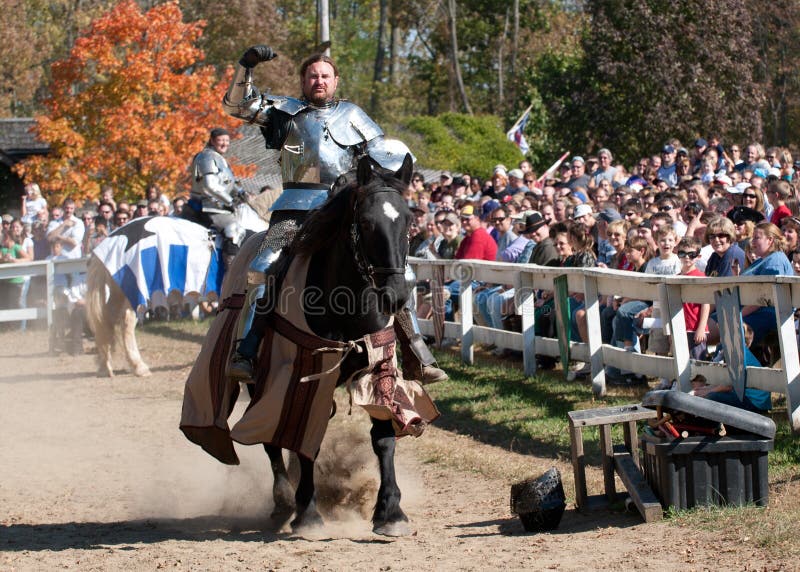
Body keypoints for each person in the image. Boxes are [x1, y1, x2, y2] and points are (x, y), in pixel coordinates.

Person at [223, 46, 446, 384]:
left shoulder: (355, 116)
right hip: (295, 208)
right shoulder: (285, 112)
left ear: (336, 80)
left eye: (325, 75)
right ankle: (247, 349)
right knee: (262, 266)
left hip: (344, 208)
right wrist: (246, 66)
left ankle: (416, 351)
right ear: (303, 80)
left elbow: (383, 161)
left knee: (398, 269)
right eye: (313, 75)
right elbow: (237, 106)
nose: (319, 81)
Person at [185, 127, 244, 268]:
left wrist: (241, 192)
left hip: (217, 204)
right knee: (234, 230)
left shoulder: (220, 159)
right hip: (207, 206)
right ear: (212, 141)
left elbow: (227, 182)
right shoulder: (207, 156)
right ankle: (230, 272)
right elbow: (210, 186)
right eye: (220, 140)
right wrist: (230, 201)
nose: (224, 143)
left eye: (227, 140)